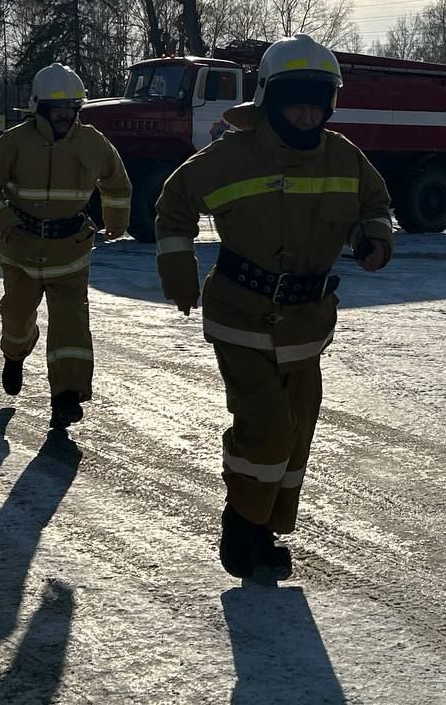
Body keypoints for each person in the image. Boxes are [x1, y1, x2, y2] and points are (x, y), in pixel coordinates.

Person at [154, 34, 393, 579]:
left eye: (319, 101)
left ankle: (266, 527)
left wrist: (374, 239)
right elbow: (174, 203)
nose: (308, 113)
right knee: (265, 427)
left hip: (307, 325)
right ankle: (240, 527)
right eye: (296, 100)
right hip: (240, 316)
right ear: (269, 98)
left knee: (297, 427)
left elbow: (374, 204)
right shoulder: (233, 156)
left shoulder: (344, 157)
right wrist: (177, 267)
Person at [0, 62, 132, 430]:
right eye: (56, 109)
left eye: (70, 109)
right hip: (20, 250)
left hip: (70, 250)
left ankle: (67, 397)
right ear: (39, 108)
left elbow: (117, 183)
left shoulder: (93, 143)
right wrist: (6, 224)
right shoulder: (14, 142)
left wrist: (116, 222)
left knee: (71, 326)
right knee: (16, 315)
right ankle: (14, 353)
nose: (63, 115)